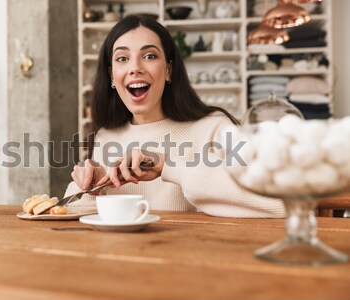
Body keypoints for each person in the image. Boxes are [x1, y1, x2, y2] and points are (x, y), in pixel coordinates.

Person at [65, 15, 285, 218]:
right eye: (122, 58)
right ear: (112, 75)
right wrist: (94, 187)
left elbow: (282, 199)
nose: (135, 68)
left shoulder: (213, 127)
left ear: (169, 70)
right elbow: (73, 217)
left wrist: (169, 165)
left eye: (149, 56)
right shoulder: (106, 136)